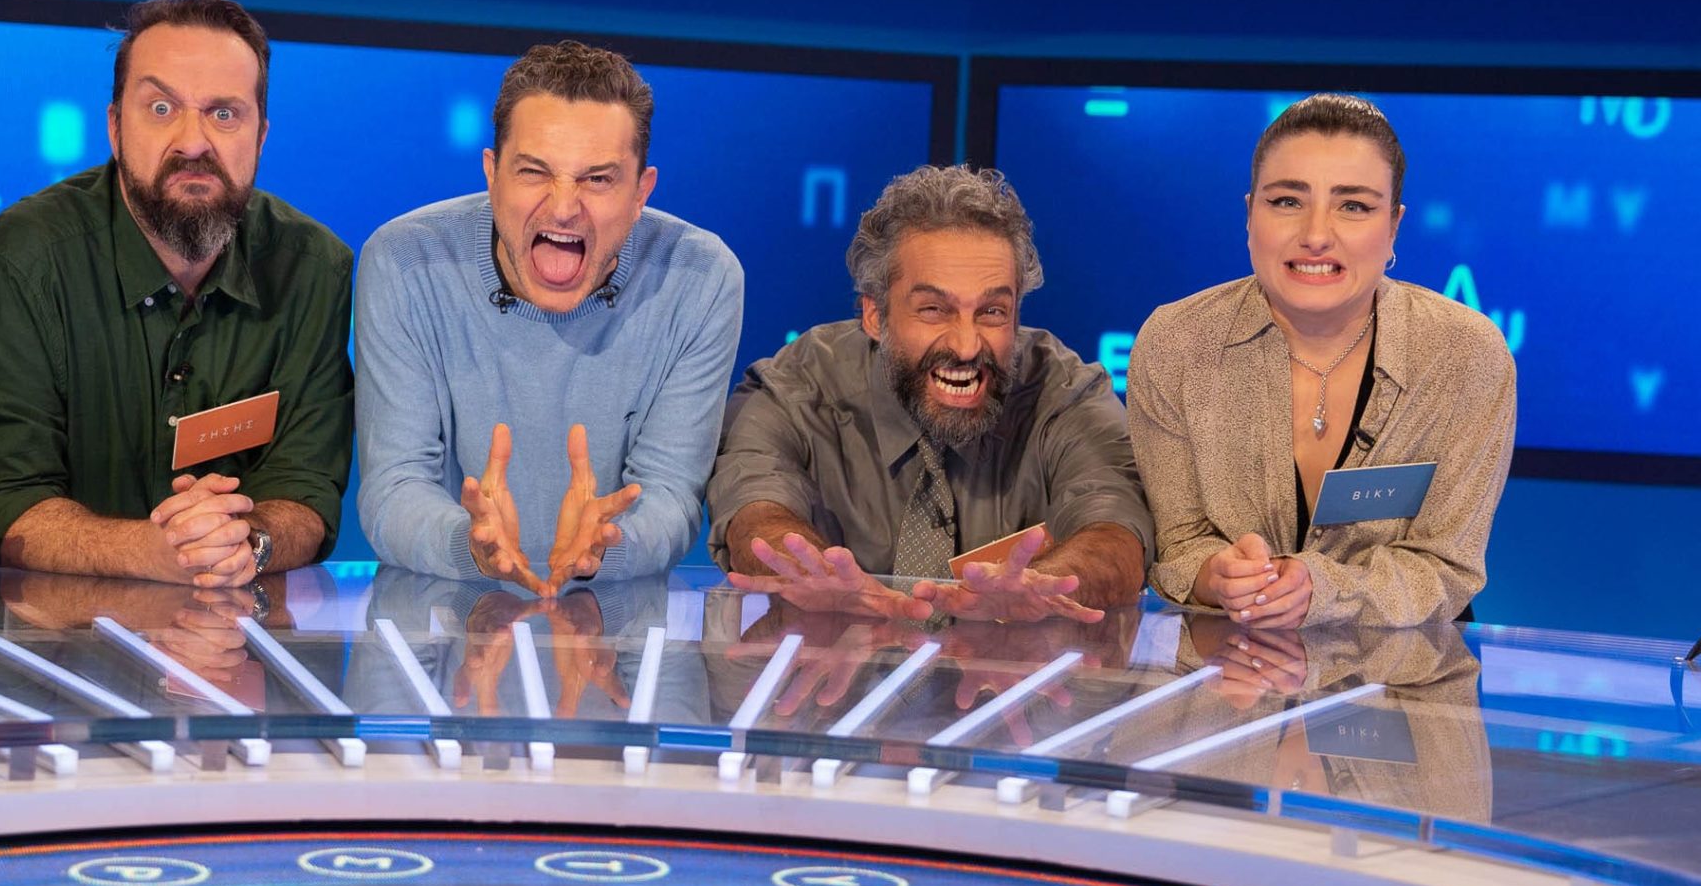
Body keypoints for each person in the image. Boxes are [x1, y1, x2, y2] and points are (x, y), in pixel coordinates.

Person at [0, 0, 353, 586]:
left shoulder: (314, 268)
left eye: (224, 114)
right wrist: (157, 551)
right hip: (59, 635)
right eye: (161, 108)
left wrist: (250, 543)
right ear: (115, 127)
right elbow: (9, 503)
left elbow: (307, 488)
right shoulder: (25, 258)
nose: (193, 143)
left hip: (233, 631)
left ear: (261, 136)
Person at [355, 41, 743, 595]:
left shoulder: (700, 277)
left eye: (598, 179)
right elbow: (393, 489)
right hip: (448, 623)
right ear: (492, 175)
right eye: (534, 172)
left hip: (616, 629)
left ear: (641, 192)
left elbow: (671, 495)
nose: (563, 208)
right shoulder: (405, 261)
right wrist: (473, 545)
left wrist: (606, 548)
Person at [1126, 93, 1515, 629]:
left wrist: (1323, 589)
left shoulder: (1466, 354)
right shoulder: (1177, 343)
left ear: (1393, 226)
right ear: (1249, 214)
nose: (1314, 236)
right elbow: (1180, 544)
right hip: (1233, 666)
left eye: (1353, 206)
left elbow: (1446, 566)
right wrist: (1215, 576)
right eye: (1287, 201)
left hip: (1406, 669)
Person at [709, 164, 1151, 623]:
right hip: (829, 664)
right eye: (934, 310)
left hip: (1020, 666)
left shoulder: (1067, 393)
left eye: (992, 311)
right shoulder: (795, 386)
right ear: (875, 315)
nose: (966, 346)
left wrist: (1045, 585)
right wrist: (811, 574)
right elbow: (754, 510)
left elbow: (1118, 533)